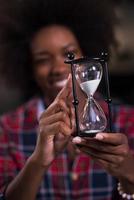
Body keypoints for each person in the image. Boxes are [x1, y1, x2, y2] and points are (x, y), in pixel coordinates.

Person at [0, 0, 134, 199]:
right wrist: (38, 162)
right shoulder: (7, 129)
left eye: (70, 54)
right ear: (29, 68)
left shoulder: (127, 119)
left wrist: (128, 172)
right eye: (43, 59)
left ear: (87, 55)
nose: (59, 67)